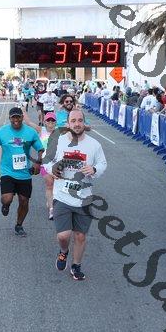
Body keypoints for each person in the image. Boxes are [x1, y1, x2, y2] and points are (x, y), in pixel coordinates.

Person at [44, 110, 107, 281]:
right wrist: (53, 169)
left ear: (84, 123)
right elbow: (46, 160)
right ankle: (64, 251)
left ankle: (76, 265)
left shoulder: (94, 145)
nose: (77, 124)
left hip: (83, 198)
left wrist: (94, 169)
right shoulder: (58, 141)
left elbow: (102, 163)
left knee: (80, 236)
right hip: (62, 196)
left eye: (80, 120)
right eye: (73, 121)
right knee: (63, 235)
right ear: (68, 124)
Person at [0, 107, 44, 237]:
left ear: (22, 117)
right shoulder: (2, 132)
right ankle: (6, 205)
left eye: (18, 117)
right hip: (8, 172)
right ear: (9, 118)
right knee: (7, 199)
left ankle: (19, 225)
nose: (16, 120)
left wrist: (38, 162)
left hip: (24, 173)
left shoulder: (30, 132)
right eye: (13, 117)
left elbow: (40, 148)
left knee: (24, 201)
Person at [23, 110, 57, 220]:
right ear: (45, 122)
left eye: (53, 121)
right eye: (48, 120)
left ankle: (51, 200)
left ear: (55, 122)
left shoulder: (60, 132)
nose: (50, 122)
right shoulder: (41, 130)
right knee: (49, 184)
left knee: (57, 186)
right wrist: (23, 110)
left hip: (57, 164)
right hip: (44, 164)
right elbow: (28, 122)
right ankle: (52, 209)